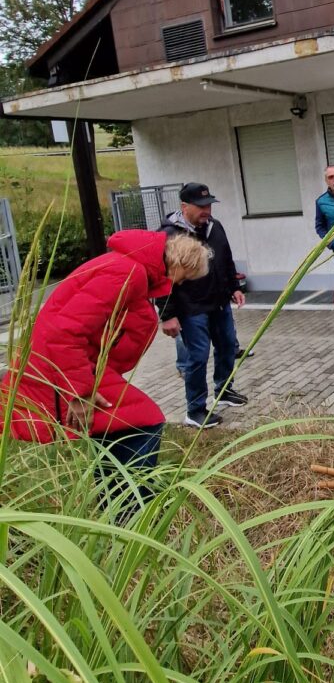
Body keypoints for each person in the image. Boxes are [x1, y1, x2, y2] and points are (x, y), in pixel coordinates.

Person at [1, 230, 209, 515]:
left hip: (68, 364)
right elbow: (65, 331)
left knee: (123, 426)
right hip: (57, 368)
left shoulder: (127, 268)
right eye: (186, 276)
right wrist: (80, 393)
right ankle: (129, 512)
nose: (182, 283)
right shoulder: (127, 272)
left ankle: (119, 503)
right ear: (180, 264)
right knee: (142, 423)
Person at [160, 182, 247, 428]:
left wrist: (234, 288)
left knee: (228, 346)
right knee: (197, 357)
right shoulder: (168, 234)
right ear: (184, 206)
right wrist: (167, 314)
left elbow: (226, 259)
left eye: (208, 205)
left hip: (219, 303)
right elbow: (160, 279)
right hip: (191, 308)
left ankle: (224, 390)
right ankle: (195, 409)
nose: (206, 210)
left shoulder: (214, 227)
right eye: (200, 206)